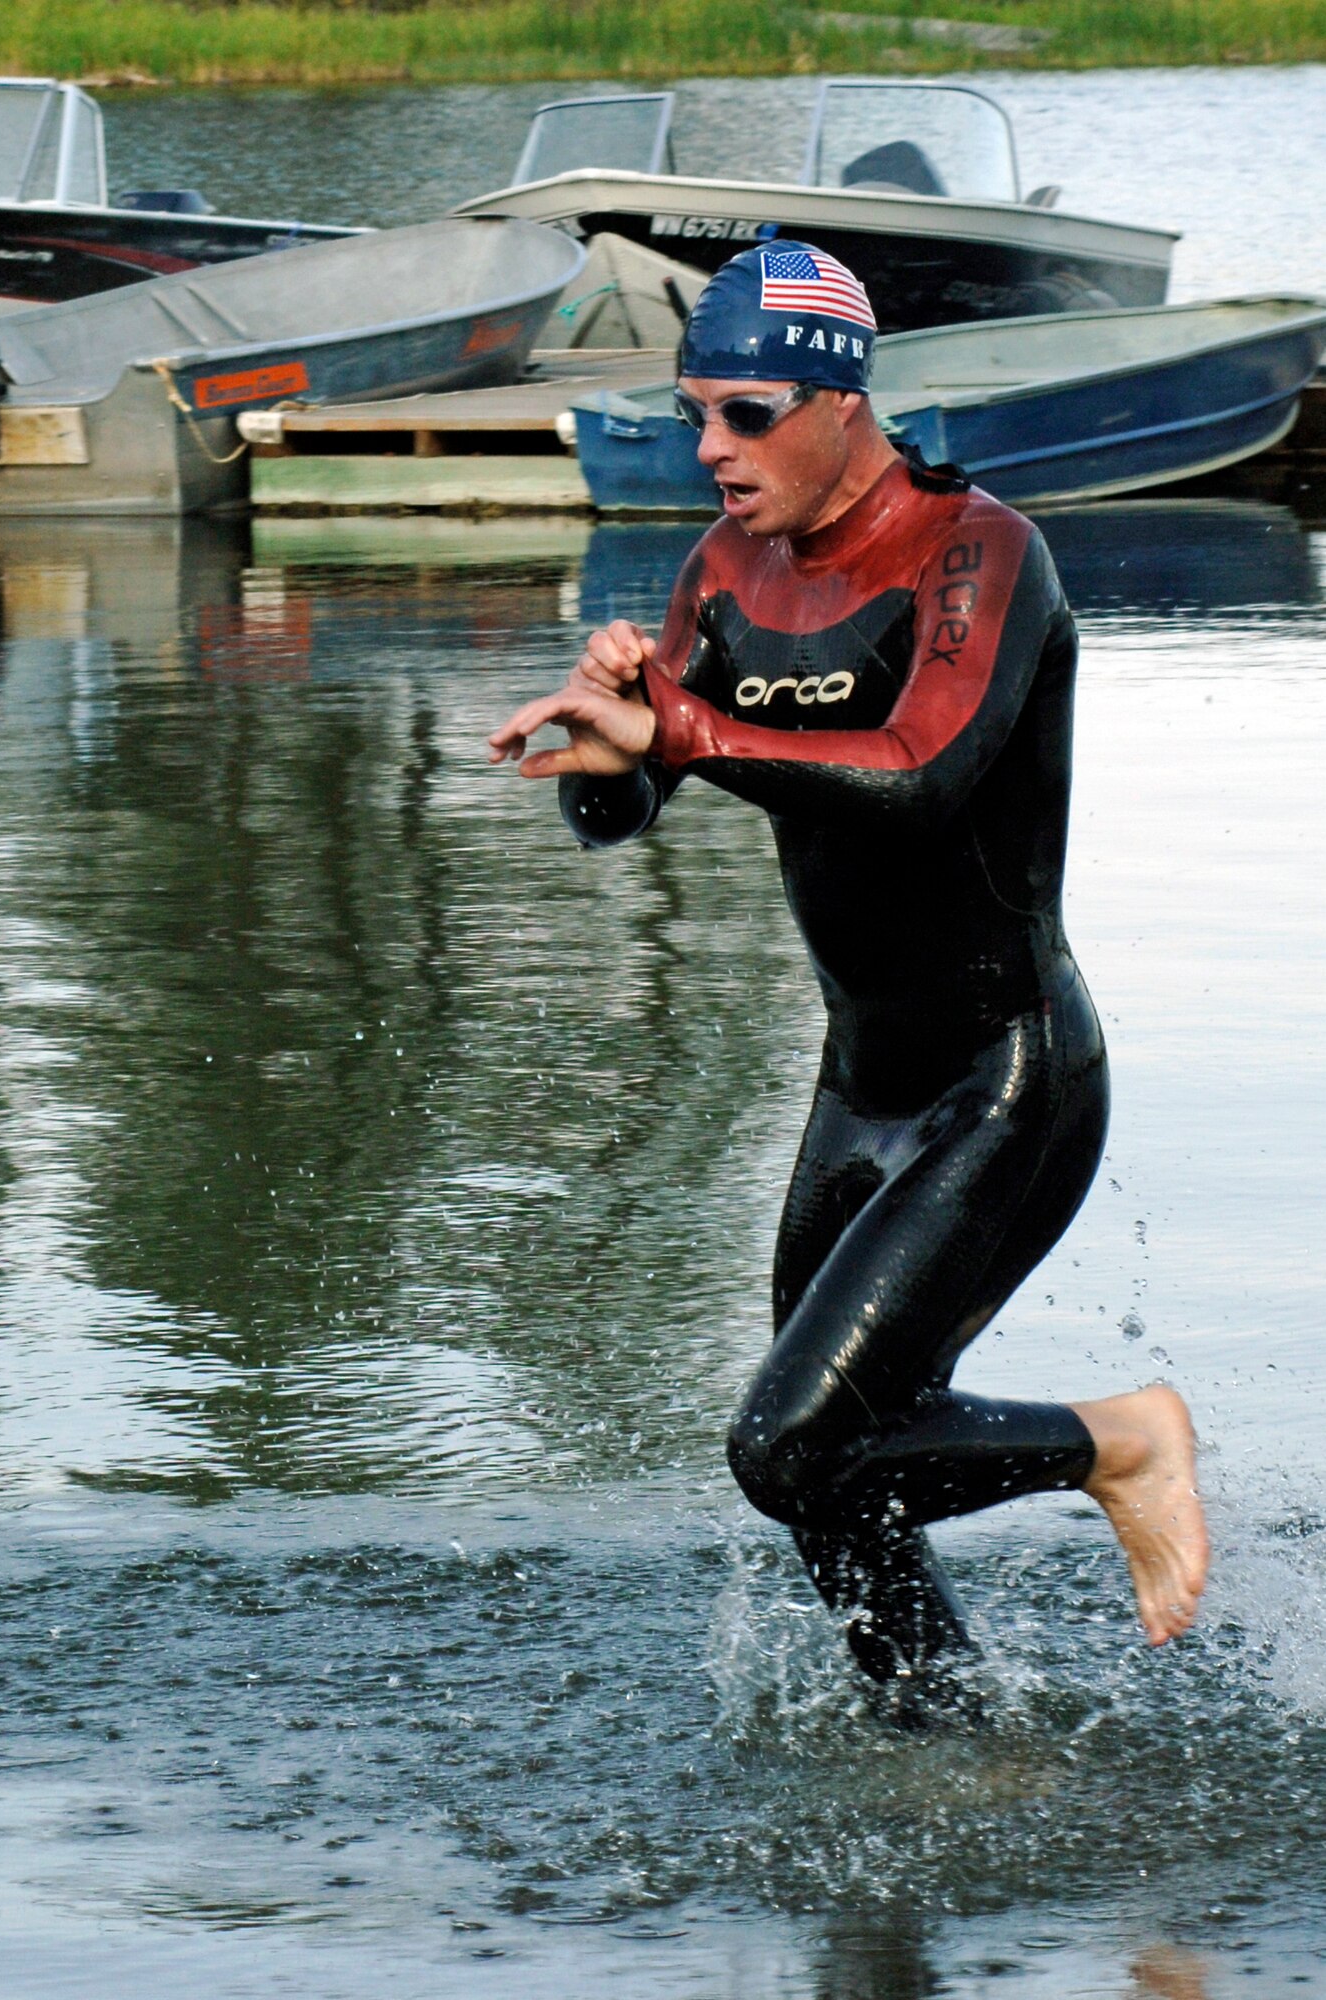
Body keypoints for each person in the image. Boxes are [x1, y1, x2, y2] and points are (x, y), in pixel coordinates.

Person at [488, 243, 1208, 1698]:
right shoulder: (722, 568)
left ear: (836, 400)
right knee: (831, 1482)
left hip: (1002, 1082)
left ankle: (1119, 1441)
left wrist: (680, 733)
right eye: (695, 413)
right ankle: (945, 1744)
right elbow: (622, 811)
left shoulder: (975, 551)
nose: (709, 451)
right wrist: (603, 733)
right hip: (856, 1084)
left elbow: (922, 772)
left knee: (789, 1446)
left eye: (742, 415)